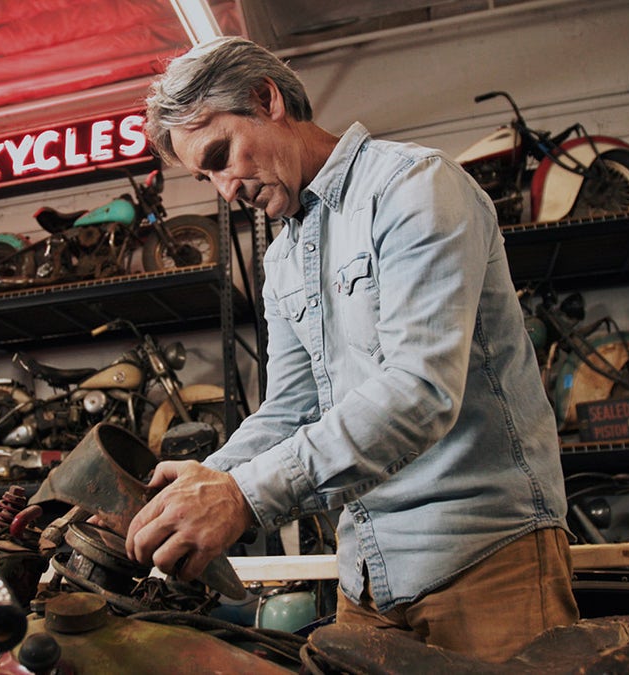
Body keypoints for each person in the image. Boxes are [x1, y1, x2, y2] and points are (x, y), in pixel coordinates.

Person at [125, 36, 579, 661]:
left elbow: (420, 391)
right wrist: (199, 485)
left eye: (221, 155)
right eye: (208, 176)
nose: (226, 190)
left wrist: (242, 496)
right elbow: (289, 410)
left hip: (482, 556)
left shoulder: (414, 188)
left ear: (267, 99)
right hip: (365, 576)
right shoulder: (282, 257)